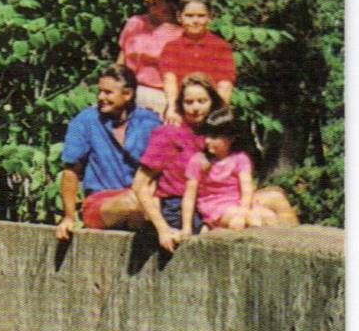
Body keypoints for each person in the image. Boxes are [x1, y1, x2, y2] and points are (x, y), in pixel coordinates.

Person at [134, 74, 299, 238]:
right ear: (180, 104)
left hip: (222, 199)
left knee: (276, 199)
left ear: (213, 102)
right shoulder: (168, 134)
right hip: (187, 207)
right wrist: (162, 229)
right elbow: (139, 185)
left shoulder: (218, 132)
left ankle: (295, 251)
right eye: (189, 102)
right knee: (250, 219)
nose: (195, 107)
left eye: (202, 101)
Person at [55, 64, 164, 245]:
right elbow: (70, 171)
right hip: (101, 204)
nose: (100, 97)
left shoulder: (148, 121)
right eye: (99, 92)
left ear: (127, 94)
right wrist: (69, 217)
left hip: (143, 200)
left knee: (154, 204)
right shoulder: (85, 120)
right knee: (135, 202)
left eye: (108, 93)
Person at [181, 110, 277, 233]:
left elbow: (247, 190)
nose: (208, 141)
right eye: (207, 135)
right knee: (253, 220)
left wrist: (242, 212)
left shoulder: (240, 158)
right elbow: (189, 196)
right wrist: (186, 228)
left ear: (231, 138)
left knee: (270, 217)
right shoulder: (198, 160)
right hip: (215, 206)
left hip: (239, 204)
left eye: (214, 137)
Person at [159, 0, 235, 123]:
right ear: (179, 17)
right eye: (189, 16)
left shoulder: (221, 47)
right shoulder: (172, 47)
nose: (195, 21)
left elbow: (225, 84)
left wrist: (219, 114)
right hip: (183, 108)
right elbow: (169, 79)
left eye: (201, 16)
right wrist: (172, 108)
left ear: (209, 17)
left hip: (211, 110)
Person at [117, 0, 183, 115]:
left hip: (159, 98)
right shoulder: (134, 23)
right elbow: (120, 65)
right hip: (127, 92)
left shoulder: (180, 33)